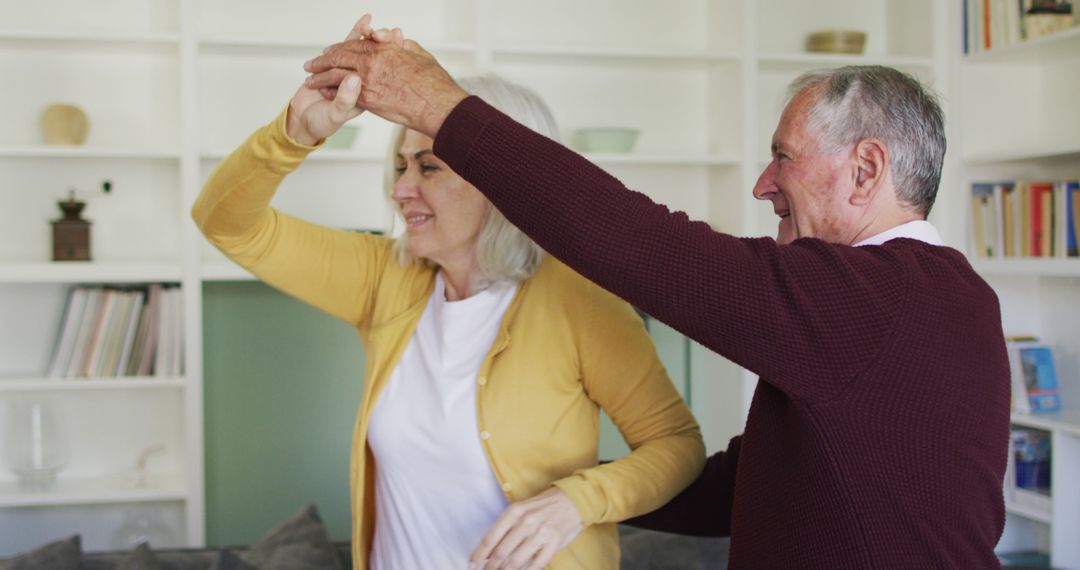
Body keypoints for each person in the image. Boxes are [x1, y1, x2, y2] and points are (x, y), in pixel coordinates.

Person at [302, 18, 1012, 568]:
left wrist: (441, 105)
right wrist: (564, 487)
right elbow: (756, 486)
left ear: (866, 169)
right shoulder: (945, 298)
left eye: (783, 158)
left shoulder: (873, 299)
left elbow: (640, 246)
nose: (764, 185)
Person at [191, 30, 706, 570]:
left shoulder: (579, 301)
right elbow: (224, 224)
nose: (400, 189)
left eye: (428, 166)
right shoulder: (384, 278)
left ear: (503, 181)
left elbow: (676, 445)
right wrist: (292, 133)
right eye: (400, 166)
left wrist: (577, 500)